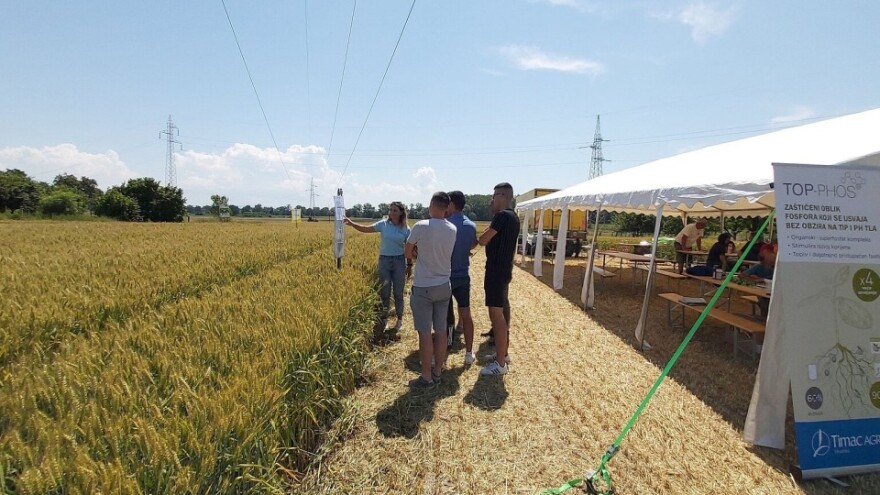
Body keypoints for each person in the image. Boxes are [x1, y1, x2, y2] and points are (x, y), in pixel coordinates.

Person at [405, 192, 457, 388]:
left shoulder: (421, 226)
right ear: (447, 208)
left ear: (432, 205)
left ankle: (425, 377)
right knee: (441, 331)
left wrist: (417, 255)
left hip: (424, 287)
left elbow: (407, 251)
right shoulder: (452, 229)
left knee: (425, 333)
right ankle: (437, 372)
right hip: (444, 285)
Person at [344, 202, 410, 331]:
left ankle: (399, 321)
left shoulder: (406, 229)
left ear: (401, 213)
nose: (391, 212)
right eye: (390, 210)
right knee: (384, 292)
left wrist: (410, 264)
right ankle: (384, 320)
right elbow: (365, 229)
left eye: (395, 210)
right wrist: (351, 223)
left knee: (398, 292)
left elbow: (409, 248)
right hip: (384, 261)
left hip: (399, 261)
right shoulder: (383, 224)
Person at [478, 183, 520, 376]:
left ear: (502, 195)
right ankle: (502, 354)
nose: (492, 200)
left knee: (497, 317)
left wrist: (493, 213)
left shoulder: (502, 216)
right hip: (503, 271)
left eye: (494, 196)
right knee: (501, 313)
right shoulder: (513, 217)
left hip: (496, 272)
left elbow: (483, 239)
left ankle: (500, 364)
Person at [444, 191, 478, 365]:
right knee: (466, 313)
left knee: (446, 315)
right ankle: (469, 352)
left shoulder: (446, 224)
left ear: (451, 205)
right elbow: (474, 243)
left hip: (446, 276)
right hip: (463, 275)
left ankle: (446, 347)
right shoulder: (470, 225)